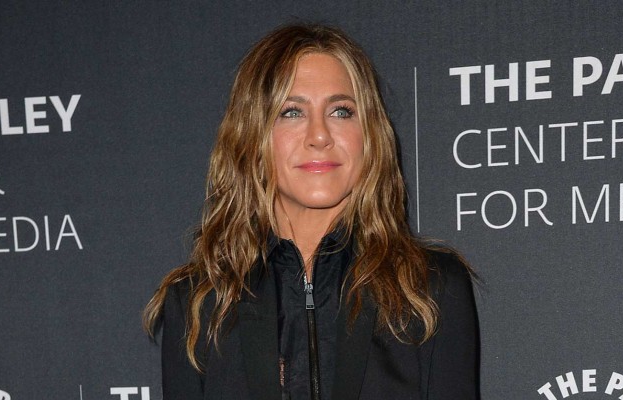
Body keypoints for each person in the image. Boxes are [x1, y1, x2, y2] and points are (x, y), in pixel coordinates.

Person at [144, 24, 479, 400]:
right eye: (291, 112)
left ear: (369, 135)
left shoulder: (429, 288)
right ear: (252, 135)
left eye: (340, 111)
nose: (319, 135)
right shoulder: (199, 303)